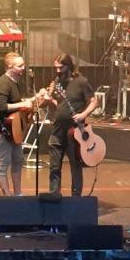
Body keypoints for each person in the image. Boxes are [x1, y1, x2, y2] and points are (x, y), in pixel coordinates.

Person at [44, 54, 99, 197]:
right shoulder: (57, 82)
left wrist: (83, 115)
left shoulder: (81, 82)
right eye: (56, 68)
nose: (58, 71)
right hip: (57, 130)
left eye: (61, 67)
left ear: (69, 66)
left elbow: (93, 101)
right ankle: (54, 195)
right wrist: (49, 100)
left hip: (74, 132)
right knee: (54, 166)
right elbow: (60, 105)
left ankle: (76, 198)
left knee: (75, 166)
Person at [0, 52, 40, 197]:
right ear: (10, 67)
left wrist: (35, 98)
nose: (23, 68)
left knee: (17, 161)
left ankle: (18, 194)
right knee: (3, 165)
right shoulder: (4, 83)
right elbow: (2, 107)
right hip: (4, 130)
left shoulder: (16, 81)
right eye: (20, 66)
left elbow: (16, 103)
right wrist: (24, 103)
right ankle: (8, 197)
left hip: (14, 130)